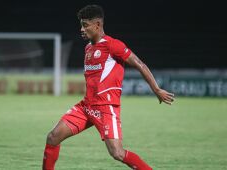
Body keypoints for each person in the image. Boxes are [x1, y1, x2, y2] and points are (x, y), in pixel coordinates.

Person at [42, 4, 175, 170]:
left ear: (97, 25)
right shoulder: (88, 48)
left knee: (117, 153)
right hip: (86, 107)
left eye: (85, 25)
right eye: (81, 25)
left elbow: (140, 64)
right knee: (53, 137)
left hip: (106, 108)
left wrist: (156, 89)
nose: (81, 29)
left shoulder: (113, 45)